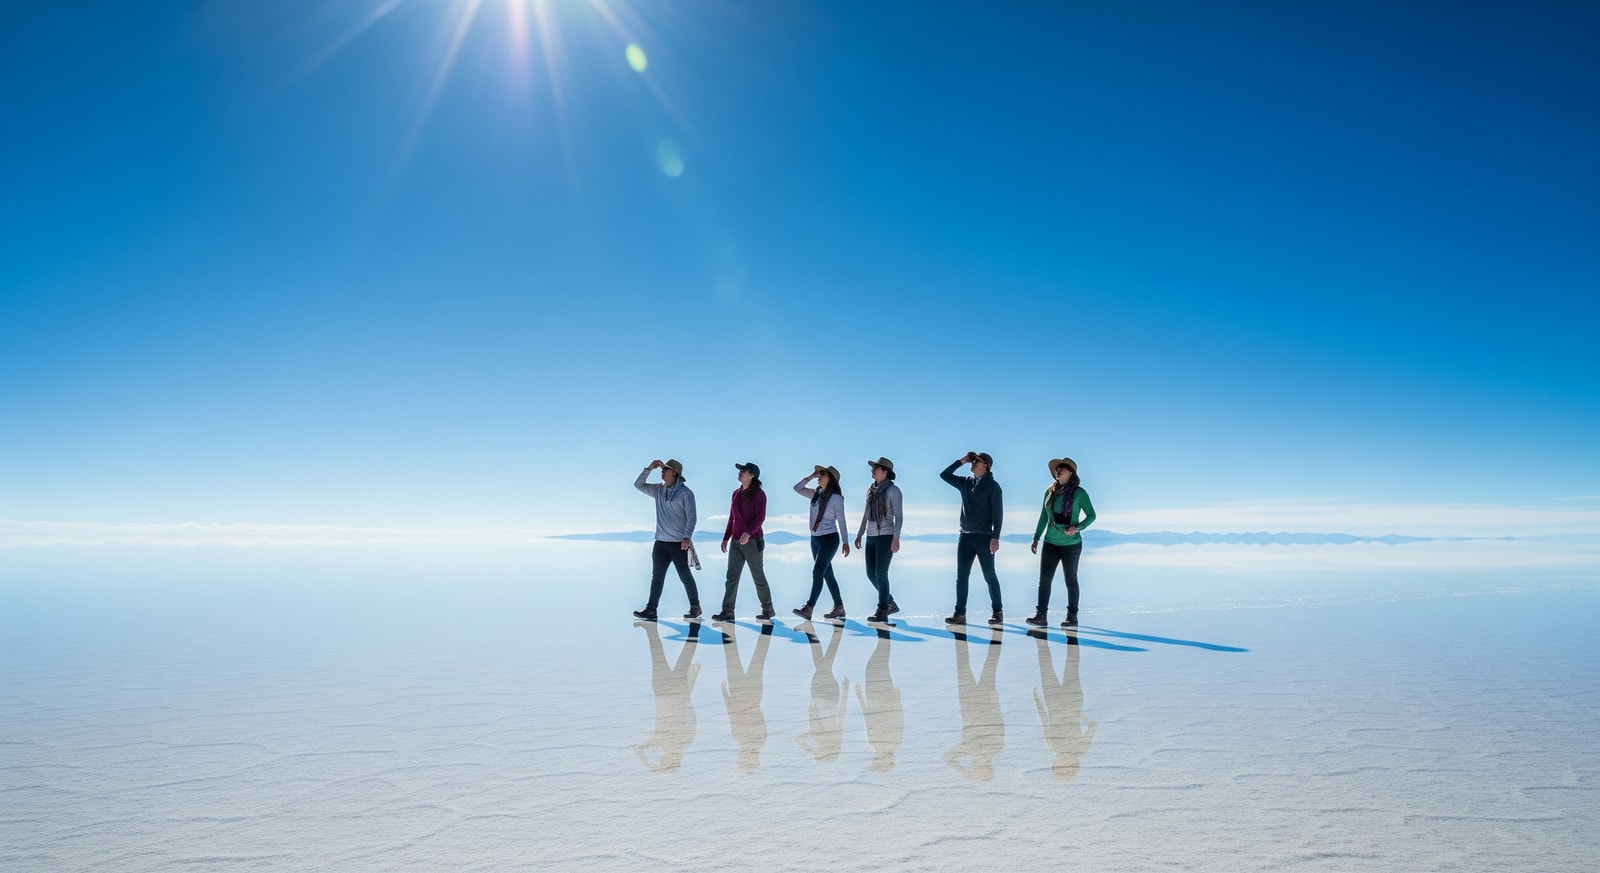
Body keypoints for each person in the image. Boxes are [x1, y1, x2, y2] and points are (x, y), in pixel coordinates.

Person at [1027, 457, 1097, 627]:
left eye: (1063, 468)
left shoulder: (1079, 493)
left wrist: (1077, 528)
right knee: (1044, 580)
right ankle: (1041, 616)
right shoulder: (1049, 492)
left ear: (1071, 473)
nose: (1059, 470)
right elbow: (1044, 516)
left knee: (1071, 580)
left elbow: (1092, 515)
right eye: (1057, 468)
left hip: (1071, 544)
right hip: (1050, 542)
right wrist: (1036, 538)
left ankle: (1072, 617)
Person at [939, 451, 1005, 626]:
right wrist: (962, 460)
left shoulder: (993, 487)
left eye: (978, 461)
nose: (973, 463)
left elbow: (998, 515)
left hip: (984, 537)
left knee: (989, 575)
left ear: (986, 466)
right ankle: (959, 614)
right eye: (973, 461)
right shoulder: (965, 483)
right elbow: (944, 475)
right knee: (962, 576)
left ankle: (997, 612)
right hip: (965, 537)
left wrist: (995, 537)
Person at [632, 459, 702, 620]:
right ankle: (651, 609)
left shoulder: (686, 493)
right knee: (657, 576)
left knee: (685, 576)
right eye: (662, 469)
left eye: (665, 470)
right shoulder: (658, 490)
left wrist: (687, 537)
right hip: (660, 543)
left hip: (679, 544)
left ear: (674, 473)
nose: (662, 471)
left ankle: (695, 607)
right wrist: (649, 468)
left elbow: (692, 518)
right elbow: (638, 485)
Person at [716, 462, 775, 621]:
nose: (740, 473)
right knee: (731, 577)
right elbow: (732, 518)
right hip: (736, 541)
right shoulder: (735, 493)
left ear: (752, 475)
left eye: (743, 471)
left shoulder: (759, 494)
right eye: (740, 471)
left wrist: (748, 533)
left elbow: (760, 518)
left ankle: (768, 609)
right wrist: (726, 537)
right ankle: (728, 611)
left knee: (758, 577)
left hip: (753, 542)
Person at [792, 464, 850, 620]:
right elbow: (796, 488)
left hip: (829, 539)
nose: (819, 476)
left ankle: (809, 608)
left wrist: (846, 541)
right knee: (827, 574)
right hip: (815, 539)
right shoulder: (815, 494)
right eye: (820, 474)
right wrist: (810, 477)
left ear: (830, 479)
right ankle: (839, 608)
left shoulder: (836, 498)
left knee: (817, 572)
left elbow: (842, 521)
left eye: (823, 474)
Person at [854, 457, 904, 623]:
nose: (873, 470)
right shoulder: (871, 490)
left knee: (881, 573)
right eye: (873, 467)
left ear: (885, 472)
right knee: (870, 573)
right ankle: (890, 602)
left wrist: (896, 538)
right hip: (871, 535)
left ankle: (882, 609)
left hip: (886, 536)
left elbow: (899, 517)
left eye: (876, 468)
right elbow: (866, 514)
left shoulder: (893, 491)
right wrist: (860, 533)